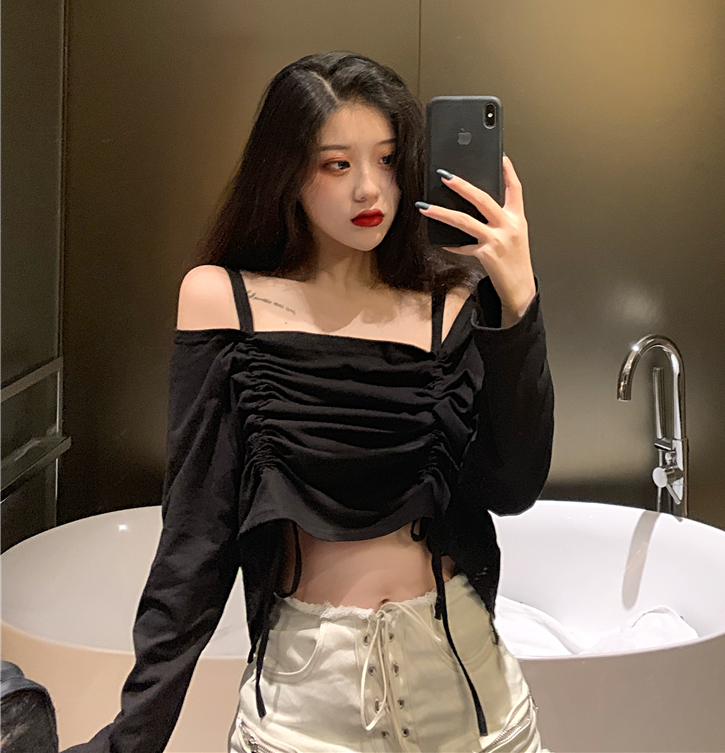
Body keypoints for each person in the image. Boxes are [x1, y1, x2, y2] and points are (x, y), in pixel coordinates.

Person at [64, 51, 554, 753]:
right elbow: (196, 538)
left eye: (387, 159)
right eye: (336, 164)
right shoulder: (222, 301)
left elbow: (513, 487)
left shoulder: (450, 304)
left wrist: (519, 301)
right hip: (306, 711)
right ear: (287, 173)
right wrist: (132, 739)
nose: (369, 187)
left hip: (473, 702)